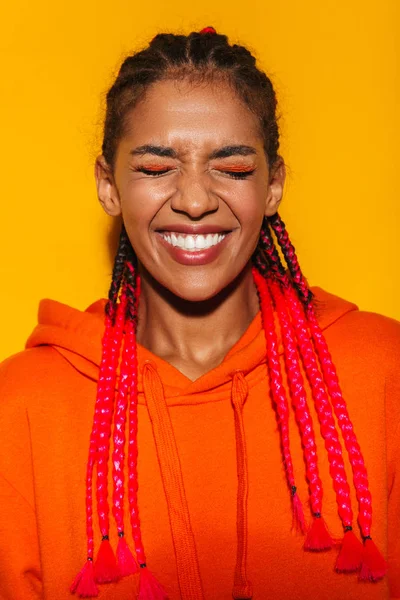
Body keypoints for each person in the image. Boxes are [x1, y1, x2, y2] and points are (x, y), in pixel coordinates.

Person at [0, 26, 399, 600]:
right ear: (108, 187)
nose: (193, 200)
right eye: (156, 168)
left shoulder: (383, 370)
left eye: (232, 168)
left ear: (273, 185)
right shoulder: (25, 404)